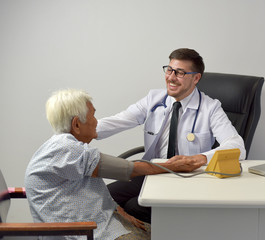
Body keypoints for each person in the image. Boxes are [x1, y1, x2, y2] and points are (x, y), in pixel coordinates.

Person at [25, 89, 202, 240]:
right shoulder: (67, 148)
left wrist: (117, 210)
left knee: (161, 233)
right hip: (85, 232)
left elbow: (85, 187)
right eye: (93, 115)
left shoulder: (61, 145)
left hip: (95, 222)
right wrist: (173, 166)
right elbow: (127, 169)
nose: (96, 121)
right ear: (77, 124)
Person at [96, 48, 246, 223]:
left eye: (180, 73)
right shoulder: (154, 99)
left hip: (188, 178)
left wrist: (200, 158)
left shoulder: (210, 108)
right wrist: (83, 131)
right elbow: (119, 120)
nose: (171, 77)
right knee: (101, 198)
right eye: (169, 70)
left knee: (133, 206)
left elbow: (237, 146)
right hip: (152, 172)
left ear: (196, 78)